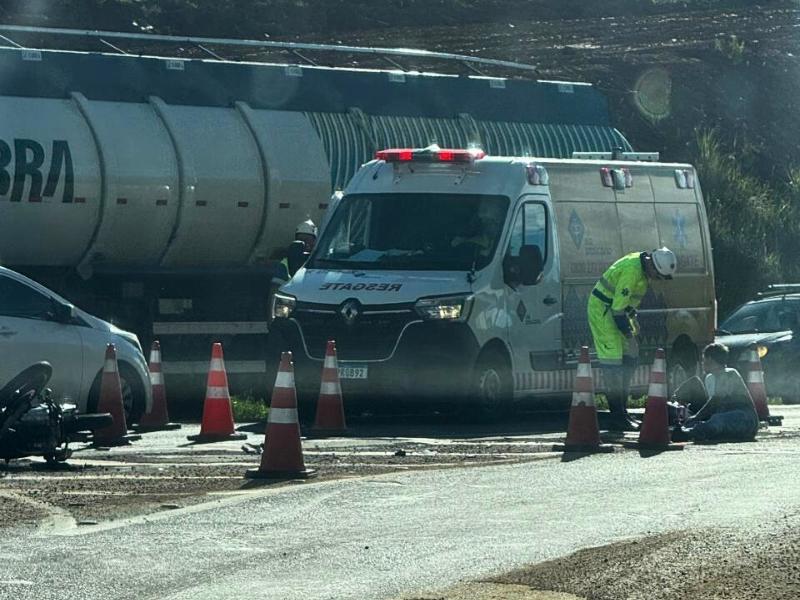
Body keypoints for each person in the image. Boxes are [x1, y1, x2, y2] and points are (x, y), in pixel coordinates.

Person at [588, 247, 677, 430]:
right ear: (652, 265)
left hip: (615, 311)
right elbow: (618, 309)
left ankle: (622, 413)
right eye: (658, 276)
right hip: (603, 312)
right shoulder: (632, 271)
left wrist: (632, 326)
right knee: (613, 364)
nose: (657, 280)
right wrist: (629, 335)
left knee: (630, 359)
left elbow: (627, 307)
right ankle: (617, 417)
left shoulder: (643, 272)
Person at [672, 343, 759, 442]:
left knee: (717, 420)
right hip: (726, 416)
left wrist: (696, 417)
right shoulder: (710, 378)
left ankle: (691, 433)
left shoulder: (729, 374)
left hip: (745, 419)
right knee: (707, 420)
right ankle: (687, 429)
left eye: (704, 359)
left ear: (710, 359)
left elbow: (716, 400)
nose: (702, 362)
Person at [268, 220, 318, 321]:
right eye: (301, 240)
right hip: (291, 310)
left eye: (308, 240)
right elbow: (274, 292)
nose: (305, 244)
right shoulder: (286, 263)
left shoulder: (321, 263)